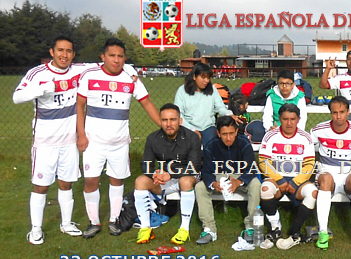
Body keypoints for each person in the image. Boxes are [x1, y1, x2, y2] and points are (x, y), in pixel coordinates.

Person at [76, 38, 161, 239]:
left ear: (125, 58)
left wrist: (164, 125)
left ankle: (114, 220)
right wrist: (81, 135)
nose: (116, 60)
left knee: (116, 180)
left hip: (119, 142)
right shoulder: (90, 75)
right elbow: (79, 105)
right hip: (93, 142)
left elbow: (147, 103)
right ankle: (94, 222)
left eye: (120, 56)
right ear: (103, 57)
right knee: (91, 180)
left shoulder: (131, 79)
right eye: (112, 55)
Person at [13, 36, 87, 244]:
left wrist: (130, 71)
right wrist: (42, 89)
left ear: (73, 54)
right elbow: (17, 97)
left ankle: (67, 223)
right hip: (45, 141)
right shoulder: (37, 73)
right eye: (60, 50)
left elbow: (105, 64)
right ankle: (36, 229)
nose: (64, 55)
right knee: (41, 186)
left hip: (69, 141)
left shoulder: (79, 70)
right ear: (52, 52)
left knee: (66, 183)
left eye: (69, 51)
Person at [133, 103, 202, 244]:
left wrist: (170, 174)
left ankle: (184, 229)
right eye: (164, 120)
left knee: (185, 181)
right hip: (164, 180)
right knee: (140, 181)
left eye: (172, 119)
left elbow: (195, 166)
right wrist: (155, 174)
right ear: (160, 121)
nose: (168, 124)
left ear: (180, 121)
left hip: (187, 177)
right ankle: (145, 228)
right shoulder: (153, 138)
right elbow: (146, 164)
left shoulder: (192, 137)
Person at [310, 96, 351, 250]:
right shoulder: (319, 129)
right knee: (326, 179)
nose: (338, 116)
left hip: (348, 171)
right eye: (335, 113)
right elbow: (305, 144)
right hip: (327, 170)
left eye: (342, 112)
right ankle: (323, 232)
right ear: (330, 113)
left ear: (348, 112)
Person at [258, 103, 317, 250]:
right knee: (265, 189)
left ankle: (294, 231)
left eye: (292, 119)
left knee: (312, 193)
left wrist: (295, 182)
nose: (289, 123)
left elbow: (309, 165)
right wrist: (280, 180)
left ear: (298, 120)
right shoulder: (270, 136)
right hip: (277, 180)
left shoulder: (306, 138)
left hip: (298, 181)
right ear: (279, 119)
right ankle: (275, 228)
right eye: (285, 119)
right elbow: (263, 162)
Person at [195, 115, 261, 244]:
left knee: (255, 184)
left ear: (236, 131)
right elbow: (206, 170)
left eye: (231, 133)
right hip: (218, 176)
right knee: (200, 187)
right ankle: (209, 229)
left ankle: (250, 227)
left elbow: (252, 168)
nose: (228, 138)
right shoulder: (211, 145)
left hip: (239, 176)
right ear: (218, 133)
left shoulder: (244, 143)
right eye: (224, 134)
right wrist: (213, 183)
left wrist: (239, 181)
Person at [174, 62, 237, 145]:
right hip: (187, 126)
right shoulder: (182, 91)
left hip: (208, 127)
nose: (206, 81)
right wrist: (192, 130)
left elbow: (220, 107)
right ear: (194, 77)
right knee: (190, 143)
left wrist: (229, 114)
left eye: (208, 78)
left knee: (212, 144)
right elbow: (178, 114)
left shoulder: (212, 89)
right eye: (203, 77)